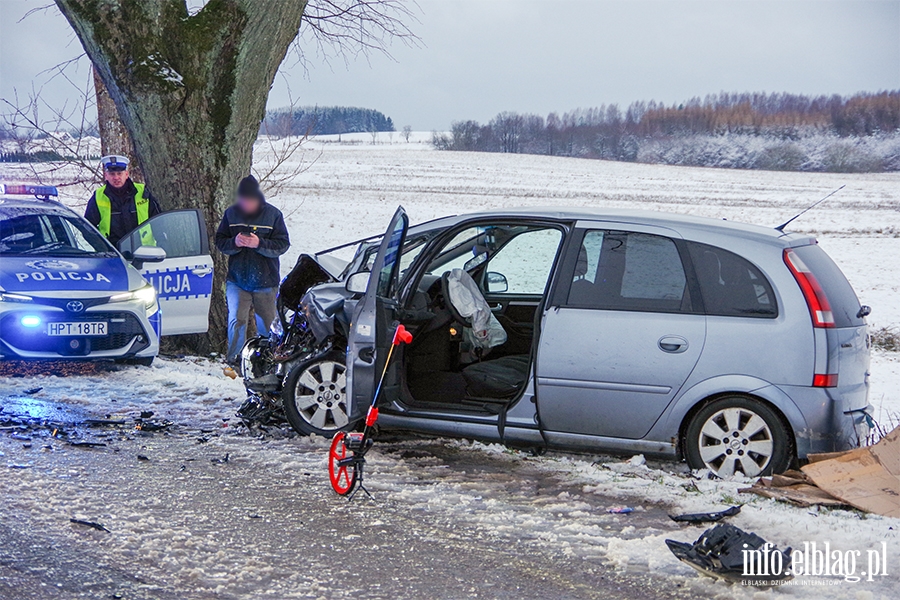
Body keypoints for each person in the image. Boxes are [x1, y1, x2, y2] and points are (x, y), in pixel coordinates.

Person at [215, 175, 290, 366]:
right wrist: (235, 242)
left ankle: (268, 360)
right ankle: (235, 360)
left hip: (265, 281)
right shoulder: (231, 214)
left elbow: (282, 245)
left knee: (267, 324)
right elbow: (220, 241)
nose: (245, 204)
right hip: (238, 280)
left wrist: (259, 243)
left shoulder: (273, 215)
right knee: (236, 322)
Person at [84, 155, 161, 247]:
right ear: (106, 176)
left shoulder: (143, 193)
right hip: (113, 254)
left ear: (126, 174)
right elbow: (87, 228)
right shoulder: (98, 196)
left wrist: (162, 246)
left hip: (144, 252)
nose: (116, 178)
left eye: (119, 173)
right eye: (112, 174)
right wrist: (102, 248)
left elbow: (159, 223)